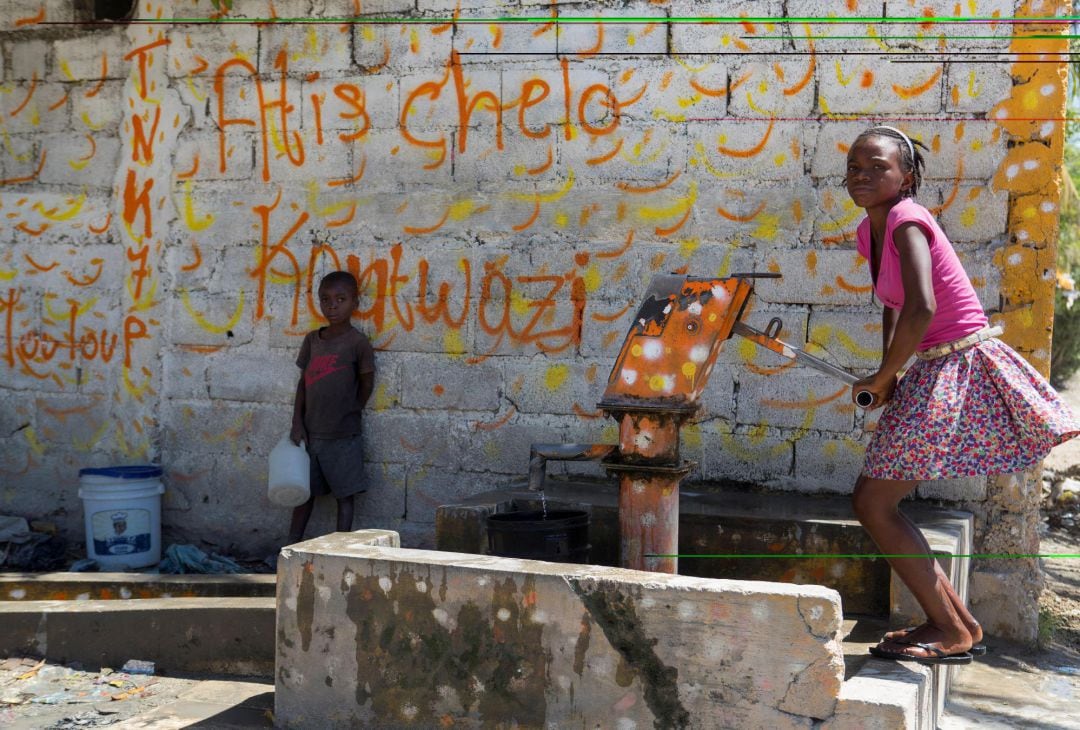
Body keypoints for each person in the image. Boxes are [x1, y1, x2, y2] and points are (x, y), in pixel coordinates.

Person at [844, 125, 1079, 665]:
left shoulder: (906, 220)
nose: (862, 174)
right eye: (855, 164)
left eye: (877, 166)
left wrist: (884, 378)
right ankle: (959, 624)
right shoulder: (870, 230)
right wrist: (889, 375)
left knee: (874, 502)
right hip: (930, 366)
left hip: (957, 363)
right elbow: (894, 303)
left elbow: (923, 306)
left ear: (907, 177)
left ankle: (948, 631)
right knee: (876, 500)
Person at [287, 270, 375, 544]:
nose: (332, 306)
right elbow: (304, 383)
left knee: (344, 497)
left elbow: (366, 382)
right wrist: (297, 422)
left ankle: (341, 551)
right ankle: (290, 546)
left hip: (343, 437)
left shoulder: (358, 343)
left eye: (341, 299)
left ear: (355, 303)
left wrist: (351, 410)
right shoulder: (313, 340)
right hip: (311, 435)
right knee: (304, 495)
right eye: (325, 300)